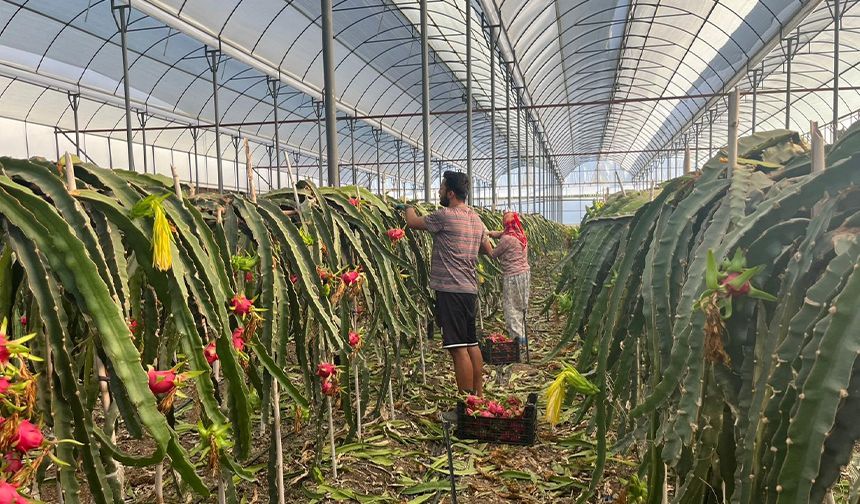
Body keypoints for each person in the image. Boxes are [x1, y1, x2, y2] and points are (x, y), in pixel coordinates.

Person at [403, 171, 492, 396]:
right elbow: (484, 248)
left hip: (450, 290)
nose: (439, 191)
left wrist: (406, 206)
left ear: (451, 193)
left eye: (442, 188)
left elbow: (412, 222)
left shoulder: (445, 215)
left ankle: (466, 403)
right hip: (469, 289)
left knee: (457, 348)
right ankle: (478, 397)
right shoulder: (476, 219)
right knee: (471, 343)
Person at [488, 212, 530, 345]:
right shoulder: (520, 235)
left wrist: (484, 242)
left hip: (512, 276)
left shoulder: (507, 239)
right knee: (521, 306)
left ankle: (517, 340)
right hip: (524, 275)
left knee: (511, 307)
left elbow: (493, 254)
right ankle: (522, 335)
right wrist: (491, 233)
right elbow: (502, 233)